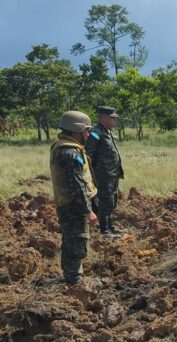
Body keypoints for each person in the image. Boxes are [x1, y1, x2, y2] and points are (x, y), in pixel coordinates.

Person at [50, 111, 99, 284]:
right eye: (86, 130)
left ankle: (71, 276)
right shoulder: (70, 153)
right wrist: (87, 211)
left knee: (71, 239)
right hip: (73, 206)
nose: (88, 134)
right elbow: (76, 185)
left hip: (69, 204)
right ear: (76, 130)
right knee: (77, 242)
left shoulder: (66, 148)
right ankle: (73, 280)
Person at [85, 106, 125, 237]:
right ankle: (105, 230)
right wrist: (92, 173)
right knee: (105, 202)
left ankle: (111, 227)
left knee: (112, 201)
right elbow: (88, 153)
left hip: (112, 174)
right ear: (104, 118)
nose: (115, 121)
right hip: (103, 175)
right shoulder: (97, 132)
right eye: (112, 118)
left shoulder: (107, 131)